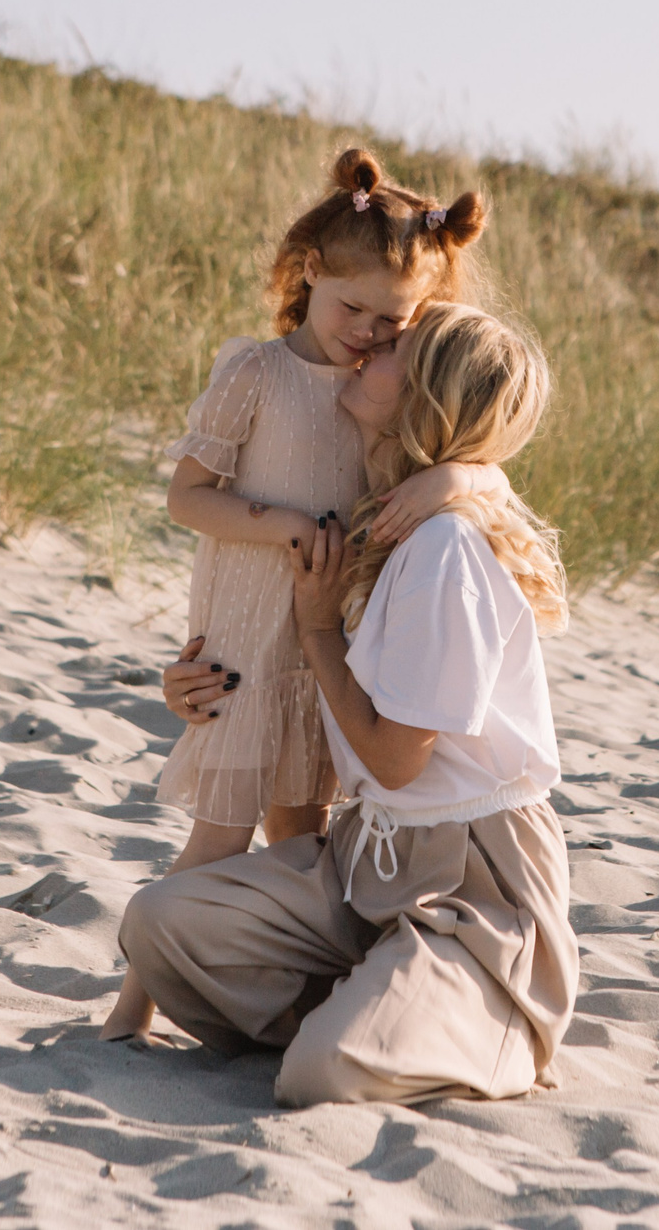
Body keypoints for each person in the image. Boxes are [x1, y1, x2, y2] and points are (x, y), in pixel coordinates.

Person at [120, 304, 577, 1105]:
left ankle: (497, 1023)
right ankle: (373, 996)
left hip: (472, 889)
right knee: (160, 922)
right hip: (364, 864)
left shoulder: (444, 550)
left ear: (426, 398)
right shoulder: (389, 514)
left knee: (321, 1073)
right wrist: (192, 683)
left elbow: (398, 762)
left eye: (399, 344)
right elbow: (276, 665)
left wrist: (320, 626)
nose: (371, 340)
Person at [102, 150, 508, 1043]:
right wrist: (281, 522)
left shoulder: (389, 395)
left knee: (299, 842)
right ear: (309, 273)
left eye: (389, 319)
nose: (363, 331)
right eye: (348, 306)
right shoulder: (257, 371)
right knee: (220, 837)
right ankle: (127, 1014)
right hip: (249, 642)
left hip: (323, 658)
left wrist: (452, 484)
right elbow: (185, 494)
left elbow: (485, 457)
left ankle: (281, 1001)